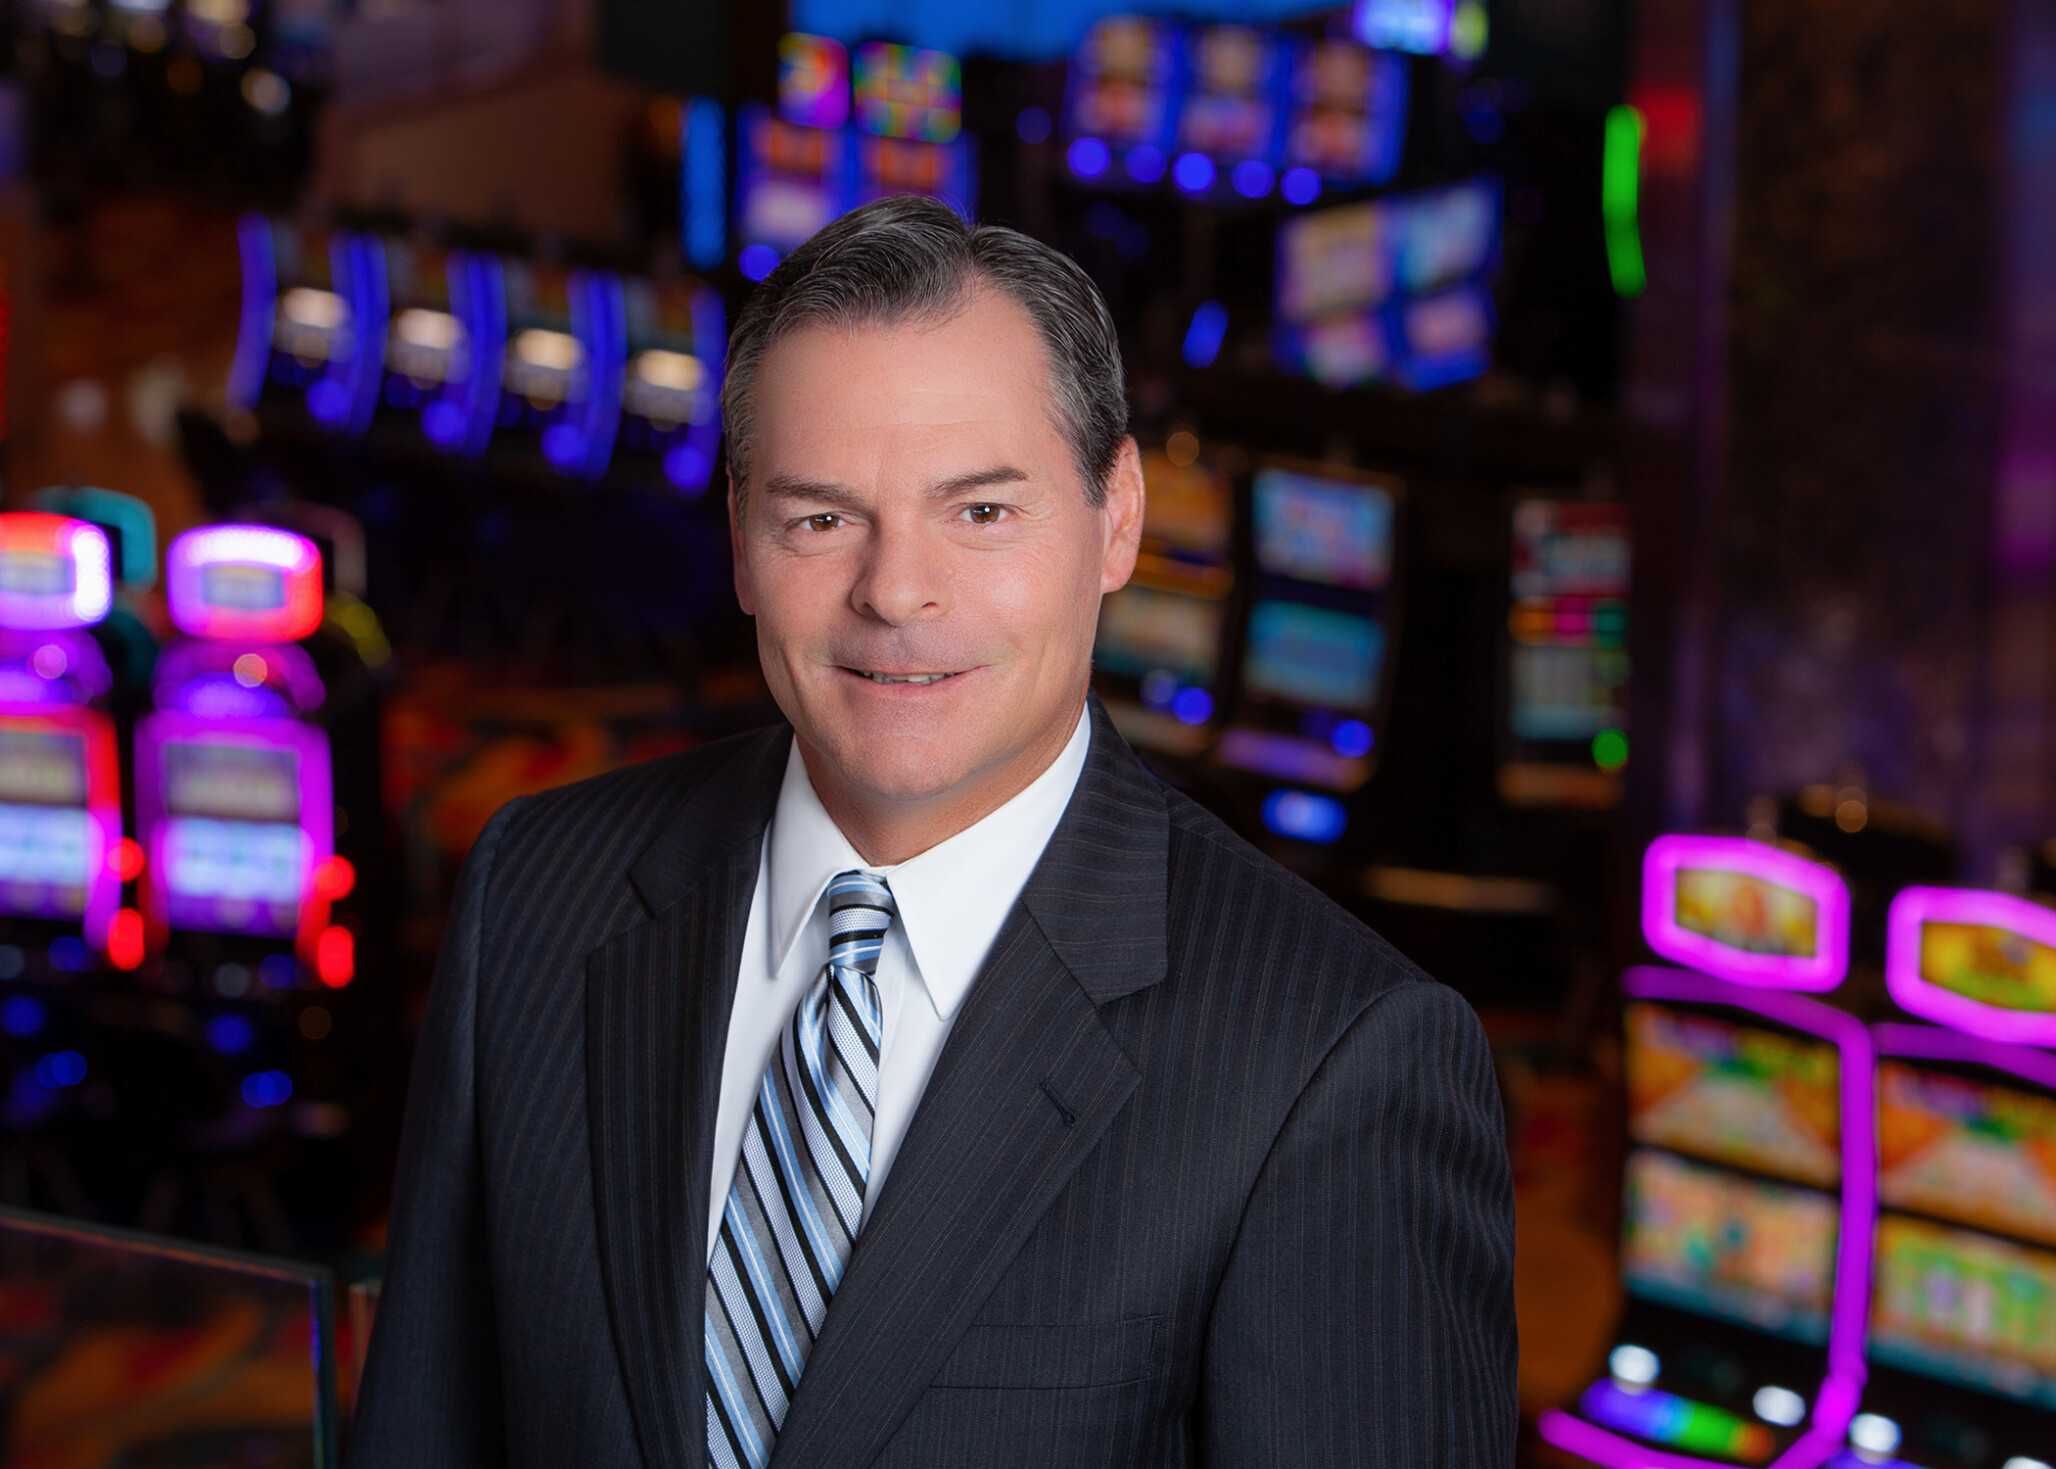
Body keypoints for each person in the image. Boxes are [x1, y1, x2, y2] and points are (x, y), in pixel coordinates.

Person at [347, 195, 1516, 1468]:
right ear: (741, 539)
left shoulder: (1333, 1057)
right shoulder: (538, 885)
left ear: (1117, 517)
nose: (895, 589)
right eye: (821, 517)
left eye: (981, 512)